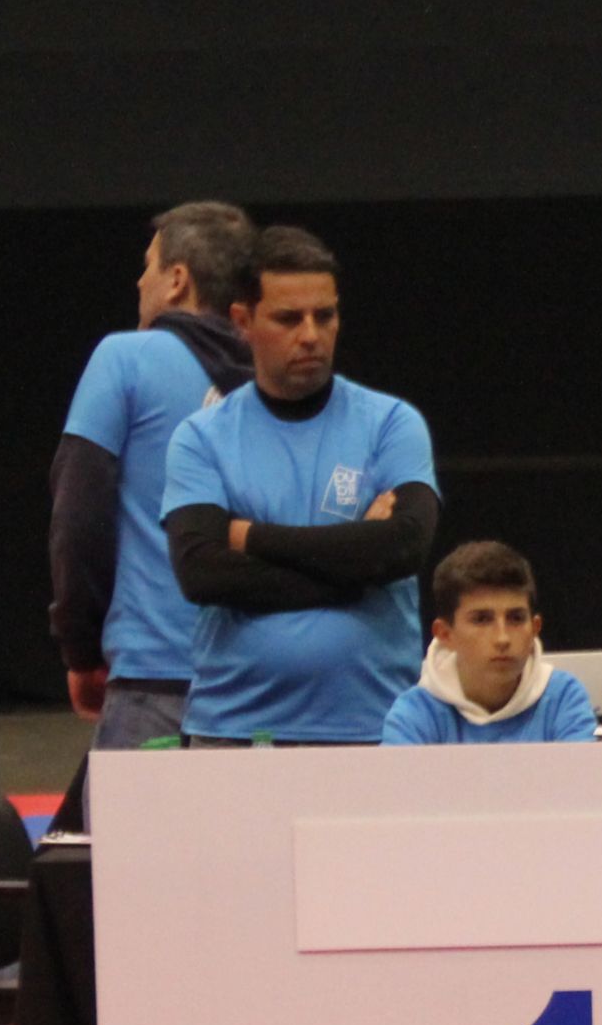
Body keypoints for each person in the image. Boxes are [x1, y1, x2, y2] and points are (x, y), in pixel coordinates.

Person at [161, 226, 440, 745]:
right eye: (289, 318)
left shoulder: (391, 423)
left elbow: (403, 546)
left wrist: (251, 536)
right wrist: (355, 573)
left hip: (376, 729)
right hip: (234, 731)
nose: (311, 335)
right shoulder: (202, 437)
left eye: (324, 316)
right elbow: (203, 573)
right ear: (242, 322)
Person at [48, 200, 256, 751]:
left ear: (177, 280)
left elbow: (78, 516)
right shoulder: (277, 382)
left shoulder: (124, 358)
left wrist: (80, 649)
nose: (140, 282)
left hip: (154, 678)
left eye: (148, 267)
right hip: (261, 686)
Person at [380, 542, 597, 745]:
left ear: (534, 629)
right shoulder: (414, 714)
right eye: (482, 619)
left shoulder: (563, 698)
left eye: (516, 618)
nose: (502, 638)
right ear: (445, 635)